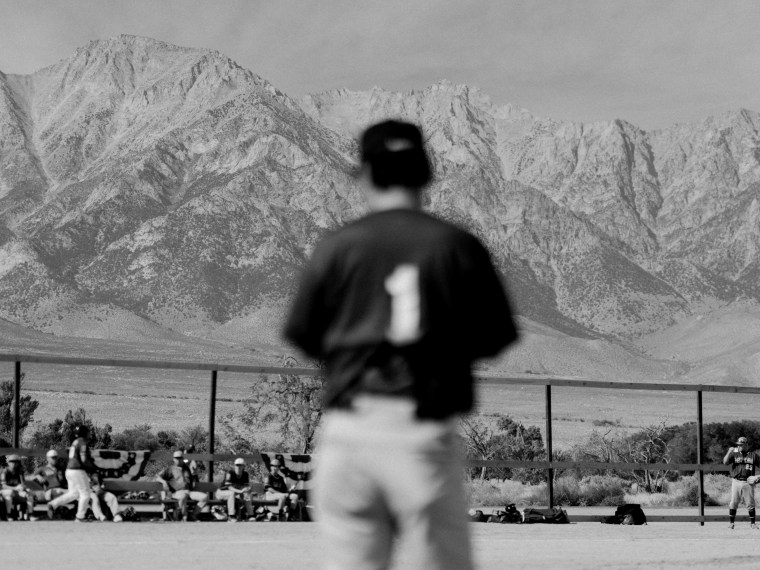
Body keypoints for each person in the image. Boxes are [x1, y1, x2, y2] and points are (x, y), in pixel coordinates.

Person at [284, 120, 518, 568]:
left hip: (349, 431)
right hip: (420, 432)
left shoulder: (339, 246)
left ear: (367, 174)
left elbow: (304, 333)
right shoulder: (455, 245)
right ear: (426, 172)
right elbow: (496, 335)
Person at [48, 424, 107, 522]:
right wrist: (92, 468)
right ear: (84, 433)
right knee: (86, 494)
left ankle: (53, 504)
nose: (89, 433)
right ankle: (80, 516)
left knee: (74, 493)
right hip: (77, 470)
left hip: (69, 470)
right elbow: (83, 459)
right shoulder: (82, 442)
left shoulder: (75, 442)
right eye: (87, 432)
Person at [156, 450, 208, 521]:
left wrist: (193, 480)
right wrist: (164, 482)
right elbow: (157, 477)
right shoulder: (170, 469)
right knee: (183, 496)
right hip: (177, 493)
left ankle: (193, 515)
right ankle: (184, 517)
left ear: (182, 459)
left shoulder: (187, 468)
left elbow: (192, 479)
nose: (178, 460)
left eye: (180, 458)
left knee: (204, 497)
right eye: (176, 458)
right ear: (174, 459)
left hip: (189, 492)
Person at [724, 436, 760, 529]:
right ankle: (731, 523)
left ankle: (753, 524)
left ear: (746, 445)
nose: (739, 446)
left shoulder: (753, 455)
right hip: (736, 481)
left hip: (748, 482)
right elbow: (725, 462)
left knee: (750, 503)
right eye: (738, 444)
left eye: (741, 444)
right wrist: (729, 452)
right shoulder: (734, 454)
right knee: (733, 502)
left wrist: (758, 476)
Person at [215, 457, 253, 522]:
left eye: (240, 465)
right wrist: (240, 491)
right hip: (221, 493)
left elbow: (245, 487)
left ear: (243, 466)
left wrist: (248, 489)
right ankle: (231, 516)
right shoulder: (230, 473)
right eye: (236, 465)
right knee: (231, 493)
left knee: (247, 495)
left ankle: (250, 515)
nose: (238, 467)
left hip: (234, 494)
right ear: (234, 466)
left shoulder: (245, 474)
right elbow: (229, 488)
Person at [1, 455, 35, 520]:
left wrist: (24, 488)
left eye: (15, 462)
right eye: (11, 461)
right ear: (8, 462)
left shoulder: (19, 472)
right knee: (9, 494)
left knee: (29, 494)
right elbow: (3, 486)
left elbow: (22, 484)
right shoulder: (5, 471)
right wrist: (15, 488)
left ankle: (31, 514)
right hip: (5, 492)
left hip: (17, 492)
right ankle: (9, 515)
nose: (13, 463)